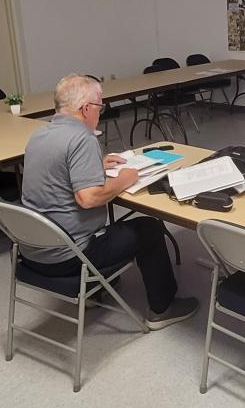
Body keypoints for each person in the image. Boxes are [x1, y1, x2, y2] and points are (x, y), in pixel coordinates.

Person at [20, 74, 198, 330]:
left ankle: (93, 292)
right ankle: (163, 308)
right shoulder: (83, 138)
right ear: (86, 109)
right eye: (100, 107)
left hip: (33, 251)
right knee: (149, 227)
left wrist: (93, 165)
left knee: (115, 226)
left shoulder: (39, 135)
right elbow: (89, 197)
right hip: (70, 255)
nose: (100, 113)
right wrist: (125, 179)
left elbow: (56, 170)